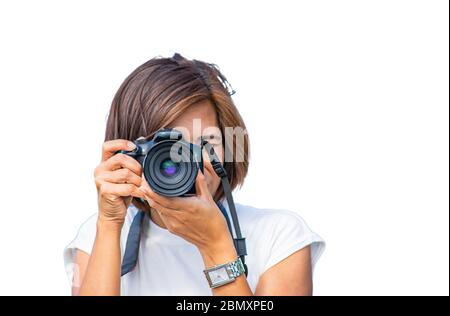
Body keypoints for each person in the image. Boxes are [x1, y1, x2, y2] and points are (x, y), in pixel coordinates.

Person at [63, 53, 325, 296]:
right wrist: (109, 225)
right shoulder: (99, 236)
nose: (185, 160)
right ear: (128, 153)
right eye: (165, 146)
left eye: (206, 141)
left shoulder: (279, 237)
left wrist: (216, 246)